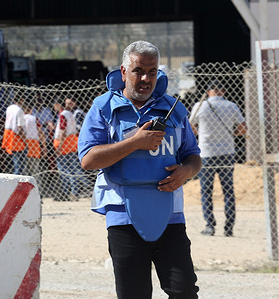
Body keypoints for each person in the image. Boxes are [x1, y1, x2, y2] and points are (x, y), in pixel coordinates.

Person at [78, 41, 201, 298]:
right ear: (123, 72)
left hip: (170, 215)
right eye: (138, 71)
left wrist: (186, 171)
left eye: (153, 71)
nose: (146, 78)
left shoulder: (174, 109)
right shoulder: (103, 108)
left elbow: (193, 156)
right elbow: (88, 160)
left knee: (184, 290)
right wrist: (134, 143)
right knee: (134, 293)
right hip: (122, 216)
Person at [189, 80, 247, 237]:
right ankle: (229, 227)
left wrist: (203, 133)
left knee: (206, 191)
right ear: (224, 91)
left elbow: (191, 128)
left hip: (206, 153)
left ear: (208, 92)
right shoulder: (231, 106)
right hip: (227, 152)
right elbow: (243, 129)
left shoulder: (200, 105)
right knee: (228, 190)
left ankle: (210, 226)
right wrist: (231, 134)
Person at [53, 99, 87, 201]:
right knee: (72, 169)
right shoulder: (70, 114)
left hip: (64, 144)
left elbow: (62, 131)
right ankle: (74, 192)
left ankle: (66, 192)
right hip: (71, 142)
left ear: (58, 105)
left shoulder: (63, 115)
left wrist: (59, 147)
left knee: (63, 170)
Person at [1, 91, 27, 175]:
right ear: (22, 100)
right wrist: (25, 141)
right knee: (19, 166)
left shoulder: (9, 108)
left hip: (8, 135)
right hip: (16, 137)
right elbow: (20, 128)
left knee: (14, 162)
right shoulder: (19, 110)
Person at [23, 103, 47, 178]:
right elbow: (41, 133)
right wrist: (44, 146)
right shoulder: (34, 118)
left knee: (24, 171)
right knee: (35, 171)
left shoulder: (21, 118)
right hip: (34, 145)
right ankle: (37, 188)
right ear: (31, 110)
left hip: (23, 145)